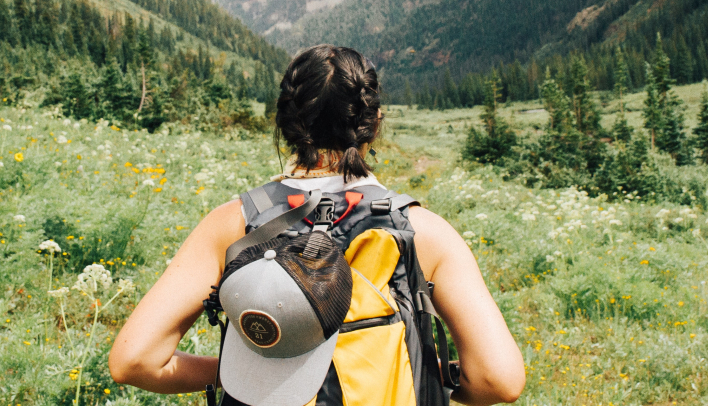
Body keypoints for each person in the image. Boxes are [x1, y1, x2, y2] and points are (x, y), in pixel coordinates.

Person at [108, 45, 524, 405]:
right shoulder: (423, 231)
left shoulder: (233, 223)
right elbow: (499, 380)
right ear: (374, 123)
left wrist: (232, 374)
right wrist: (429, 379)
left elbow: (135, 361)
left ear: (285, 124)